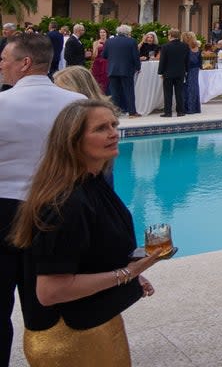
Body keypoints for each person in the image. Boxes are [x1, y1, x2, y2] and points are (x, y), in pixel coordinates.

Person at [9, 98, 164, 367]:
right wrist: (128, 273)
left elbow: (88, 254)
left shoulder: (92, 183)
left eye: (114, 124)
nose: (113, 133)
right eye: (101, 128)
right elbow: (50, 291)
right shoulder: (66, 202)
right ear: (73, 140)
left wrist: (129, 278)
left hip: (94, 322)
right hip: (70, 338)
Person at [0, 34, 87, 364]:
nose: (1, 65)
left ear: (24, 63)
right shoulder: (77, 105)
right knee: (50, 312)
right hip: (59, 213)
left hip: (4, 212)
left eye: (5, 59)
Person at [102, 26, 140, 118]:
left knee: (114, 92)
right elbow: (135, 56)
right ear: (127, 33)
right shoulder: (131, 41)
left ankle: (115, 113)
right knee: (129, 91)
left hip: (112, 70)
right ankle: (132, 112)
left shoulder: (109, 41)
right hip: (126, 70)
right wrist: (138, 67)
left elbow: (104, 55)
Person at [157, 28, 190, 118]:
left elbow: (163, 61)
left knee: (168, 93)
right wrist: (186, 70)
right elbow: (187, 60)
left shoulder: (165, 46)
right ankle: (180, 111)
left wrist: (160, 72)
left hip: (168, 73)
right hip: (180, 72)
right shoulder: (185, 46)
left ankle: (168, 112)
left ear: (170, 35)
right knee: (179, 92)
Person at [182, 32, 202, 115]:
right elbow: (199, 60)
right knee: (194, 87)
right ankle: (195, 108)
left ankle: (188, 108)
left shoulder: (185, 47)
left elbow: (185, 60)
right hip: (195, 69)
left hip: (188, 69)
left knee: (187, 87)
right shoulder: (197, 47)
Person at [90, 27, 110, 93]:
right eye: (101, 32)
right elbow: (93, 56)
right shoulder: (95, 42)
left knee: (106, 80)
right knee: (97, 80)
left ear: (107, 33)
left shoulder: (109, 42)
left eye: (104, 32)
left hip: (106, 63)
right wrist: (96, 48)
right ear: (99, 34)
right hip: (97, 63)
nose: (102, 34)